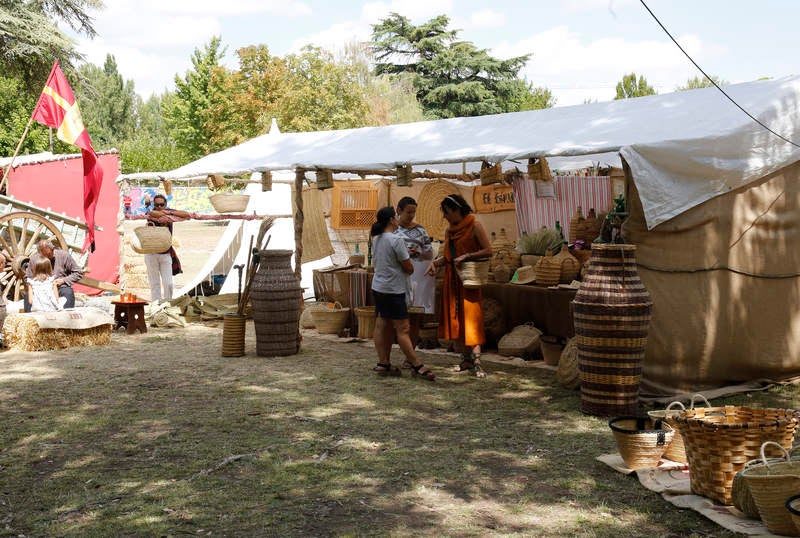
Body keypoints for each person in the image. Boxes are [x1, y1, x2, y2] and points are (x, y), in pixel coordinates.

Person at [426, 194, 492, 378]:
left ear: (457, 210)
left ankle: (477, 360)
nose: (445, 217)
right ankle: (465, 359)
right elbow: (448, 257)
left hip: (468, 280)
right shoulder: (449, 231)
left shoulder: (475, 226)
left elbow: (489, 250)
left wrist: (468, 256)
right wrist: (435, 263)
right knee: (456, 319)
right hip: (451, 280)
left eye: (447, 213)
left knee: (472, 318)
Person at [370, 206, 435, 380]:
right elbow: (408, 267)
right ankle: (417, 364)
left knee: (381, 324)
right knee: (403, 328)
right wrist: (408, 260)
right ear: (392, 219)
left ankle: (383, 363)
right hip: (394, 289)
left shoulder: (376, 238)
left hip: (379, 287)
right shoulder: (396, 240)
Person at [143, 194, 191, 301]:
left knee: (168, 283)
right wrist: (166, 213)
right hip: (151, 253)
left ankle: (168, 304)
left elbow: (186, 214)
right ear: (154, 205)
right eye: (157, 205)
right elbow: (153, 213)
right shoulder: (151, 212)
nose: (159, 207)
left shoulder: (168, 212)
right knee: (154, 283)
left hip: (165, 253)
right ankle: (156, 305)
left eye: (162, 204)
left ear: (165, 204)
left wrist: (169, 212)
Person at [394, 195, 435, 312]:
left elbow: (429, 254)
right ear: (399, 211)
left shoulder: (420, 230)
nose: (411, 215)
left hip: (417, 273)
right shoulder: (393, 229)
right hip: (398, 273)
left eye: (414, 212)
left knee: (416, 304)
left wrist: (419, 254)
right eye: (408, 212)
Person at [24, 239, 82, 312]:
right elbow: (28, 277)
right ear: (39, 253)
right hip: (40, 288)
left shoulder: (64, 256)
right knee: (27, 295)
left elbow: (78, 273)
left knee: (68, 292)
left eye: (49, 254)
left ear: (53, 249)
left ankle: (66, 319)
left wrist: (64, 280)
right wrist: (38, 282)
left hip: (60, 287)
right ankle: (30, 319)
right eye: (44, 256)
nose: (47, 258)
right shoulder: (34, 259)